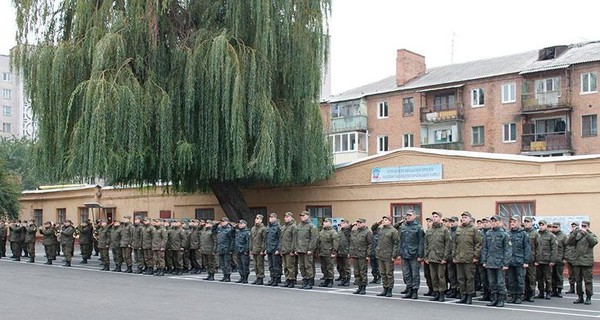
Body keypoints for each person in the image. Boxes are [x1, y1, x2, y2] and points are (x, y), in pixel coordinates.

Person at [452, 211, 482, 304]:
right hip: (459, 258)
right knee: (461, 278)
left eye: (466, 217)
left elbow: (478, 243)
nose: (464, 219)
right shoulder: (459, 229)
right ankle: (463, 295)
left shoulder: (474, 229)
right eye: (463, 217)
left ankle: (469, 296)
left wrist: (475, 256)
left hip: (469, 258)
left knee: (469, 278)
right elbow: (454, 244)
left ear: (469, 218)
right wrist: (454, 255)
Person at [569, 220, 597, 305]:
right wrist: (574, 233)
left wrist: (587, 234)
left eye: (585, 226)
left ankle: (588, 297)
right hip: (577, 261)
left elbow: (594, 242)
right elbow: (569, 242)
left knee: (588, 281)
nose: (583, 228)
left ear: (588, 227)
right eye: (582, 226)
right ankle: (580, 297)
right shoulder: (577, 235)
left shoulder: (591, 235)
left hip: (586, 262)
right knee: (578, 281)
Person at [424, 212, 451, 302]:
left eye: (436, 217)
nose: (434, 218)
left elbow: (448, 244)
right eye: (433, 217)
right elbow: (426, 244)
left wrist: (445, 257)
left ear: (440, 218)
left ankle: (442, 293)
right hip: (431, 257)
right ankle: (436, 292)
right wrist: (426, 257)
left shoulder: (444, 230)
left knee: (441, 276)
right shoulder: (429, 230)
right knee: (433, 277)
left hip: (440, 257)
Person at [398, 209, 424, 299]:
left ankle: (415, 291)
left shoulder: (418, 227)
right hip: (405, 254)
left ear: (414, 216)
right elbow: (400, 240)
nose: (408, 217)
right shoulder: (403, 226)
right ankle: (409, 289)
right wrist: (400, 252)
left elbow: (421, 242)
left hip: (414, 254)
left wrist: (420, 255)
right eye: (407, 215)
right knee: (406, 274)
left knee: (415, 274)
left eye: (410, 215)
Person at [506, 215, 531, 304]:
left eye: (514, 222)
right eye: (511, 222)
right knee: (511, 280)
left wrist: (526, 261)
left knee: (520, 280)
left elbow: (527, 248)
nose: (512, 223)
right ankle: (512, 295)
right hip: (510, 261)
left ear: (519, 223)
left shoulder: (524, 234)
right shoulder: (508, 233)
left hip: (520, 261)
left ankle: (519, 296)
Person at [375, 216, 398, 297]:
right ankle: (384, 288)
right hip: (380, 254)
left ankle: (389, 289)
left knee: (389, 273)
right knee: (382, 273)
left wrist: (394, 255)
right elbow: (373, 228)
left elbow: (396, 244)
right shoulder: (380, 229)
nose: (384, 221)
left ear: (390, 221)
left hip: (388, 255)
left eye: (386, 220)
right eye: (383, 220)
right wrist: (378, 222)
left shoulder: (393, 231)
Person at [295, 211, 318, 289]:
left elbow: (314, 239)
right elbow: (296, 238)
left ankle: (310, 281)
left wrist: (310, 249)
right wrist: (296, 248)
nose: (301, 217)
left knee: (308, 266)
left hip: (307, 250)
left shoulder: (311, 226)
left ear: (307, 216)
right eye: (301, 215)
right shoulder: (299, 226)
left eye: (303, 215)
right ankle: (305, 280)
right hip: (300, 249)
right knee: (302, 266)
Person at [350, 218, 373, 295]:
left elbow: (370, 244)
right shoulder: (354, 231)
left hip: (363, 254)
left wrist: (368, 254)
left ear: (364, 223)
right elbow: (346, 232)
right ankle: (359, 286)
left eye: (360, 222)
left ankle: (363, 287)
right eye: (357, 222)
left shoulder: (367, 232)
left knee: (363, 272)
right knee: (356, 272)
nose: (358, 224)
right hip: (355, 254)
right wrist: (351, 225)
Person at [535, 220, 557, 300]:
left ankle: (548, 292)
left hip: (547, 260)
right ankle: (541, 292)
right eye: (540, 225)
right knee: (539, 277)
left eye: (542, 225)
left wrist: (552, 260)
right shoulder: (537, 234)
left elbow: (554, 249)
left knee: (548, 277)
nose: (541, 226)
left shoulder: (551, 236)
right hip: (538, 260)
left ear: (546, 226)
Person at [317, 218, 339, 288]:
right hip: (322, 252)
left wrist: (334, 252)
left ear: (330, 223)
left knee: (329, 267)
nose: (324, 223)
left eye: (326, 222)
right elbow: (319, 242)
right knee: (323, 267)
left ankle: (330, 280)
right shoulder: (322, 232)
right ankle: (326, 279)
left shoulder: (333, 232)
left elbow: (335, 243)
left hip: (329, 252)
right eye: (324, 222)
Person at [523, 216, 540, 302]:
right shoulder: (522, 232)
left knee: (531, 277)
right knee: (524, 277)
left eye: (528, 222)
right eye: (525, 222)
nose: (526, 223)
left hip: (532, 259)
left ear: (531, 223)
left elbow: (538, 248)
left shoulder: (535, 234)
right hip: (523, 259)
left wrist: (537, 260)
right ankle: (525, 293)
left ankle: (531, 294)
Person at [213, 217, 235, 282]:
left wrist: (231, 249)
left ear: (227, 222)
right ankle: (224, 275)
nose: (222, 223)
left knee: (227, 263)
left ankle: (228, 276)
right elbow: (213, 231)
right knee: (222, 264)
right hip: (220, 248)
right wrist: (216, 224)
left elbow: (232, 240)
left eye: (223, 221)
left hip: (226, 248)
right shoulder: (219, 228)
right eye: (221, 221)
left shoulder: (229, 229)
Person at [279, 212, 297, 288]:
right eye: (285, 217)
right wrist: (280, 249)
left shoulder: (293, 227)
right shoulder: (283, 227)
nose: (286, 218)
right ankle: (287, 279)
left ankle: (292, 280)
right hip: (284, 249)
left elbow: (294, 239)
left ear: (291, 217)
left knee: (290, 266)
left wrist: (293, 250)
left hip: (289, 250)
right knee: (285, 266)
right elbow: (281, 239)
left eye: (287, 217)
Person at [551, 222, 567, 297]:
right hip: (552, 259)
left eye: (556, 227)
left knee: (559, 275)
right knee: (552, 276)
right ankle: (553, 290)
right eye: (553, 227)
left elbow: (567, 248)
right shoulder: (551, 235)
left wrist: (565, 258)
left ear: (559, 227)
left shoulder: (563, 236)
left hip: (559, 259)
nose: (554, 228)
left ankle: (559, 290)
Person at [249, 214, 266, 285]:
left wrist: (263, 250)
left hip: (259, 249)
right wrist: (250, 249)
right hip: (254, 249)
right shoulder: (253, 228)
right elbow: (251, 239)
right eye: (256, 218)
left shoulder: (263, 229)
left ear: (261, 220)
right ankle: (257, 277)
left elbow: (264, 240)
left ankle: (261, 277)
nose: (256, 220)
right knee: (255, 265)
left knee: (260, 264)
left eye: (258, 218)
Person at [445, 216, 460, 299]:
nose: (452, 223)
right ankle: (453, 289)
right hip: (450, 256)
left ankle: (459, 290)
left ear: (457, 222)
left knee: (459, 275)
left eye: (453, 221)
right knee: (451, 275)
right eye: (450, 221)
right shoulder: (448, 231)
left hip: (457, 256)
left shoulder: (459, 231)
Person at [336, 219, 352, 287]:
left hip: (346, 252)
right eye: (341, 223)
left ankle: (347, 280)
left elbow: (351, 243)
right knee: (340, 267)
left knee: (347, 267)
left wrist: (349, 252)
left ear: (347, 224)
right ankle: (343, 278)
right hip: (340, 251)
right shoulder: (340, 232)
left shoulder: (348, 232)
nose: (341, 224)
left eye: (343, 223)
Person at [564, 222, 578, 294]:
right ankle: (571, 288)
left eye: (575, 226)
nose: (573, 227)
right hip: (570, 257)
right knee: (571, 274)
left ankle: (578, 289)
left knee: (578, 274)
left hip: (576, 258)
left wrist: (576, 232)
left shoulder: (579, 235)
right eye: (572, 226)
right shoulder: (570, 235)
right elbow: (567, 243)